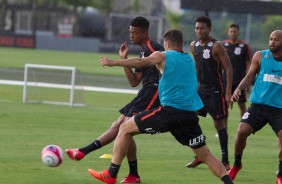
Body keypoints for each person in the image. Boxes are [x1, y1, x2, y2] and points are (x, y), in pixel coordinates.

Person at [89, 29, 234, 184]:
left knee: (124, 128)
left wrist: (114, 62)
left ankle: (111, 174)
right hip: (189, 116)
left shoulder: (163, 55)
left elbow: (141, 62)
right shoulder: (189, 59)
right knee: (206, 156)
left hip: (169, 113)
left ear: (167, 43)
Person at [65, 16, 164, 183]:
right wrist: (125, 60)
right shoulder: (142, 51)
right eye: (130, 32)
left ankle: (83, 152)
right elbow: (134, 82)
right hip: (144, 93)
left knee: (123, 126)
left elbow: (160, 69)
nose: (131, 36)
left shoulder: (154, 47)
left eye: (134, 33)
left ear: (144, 32)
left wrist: (115, 62)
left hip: (154, 93)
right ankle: (133, 175)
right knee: (122, 128)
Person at [228, 30, 282, 183]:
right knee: (241, 131)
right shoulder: (260, 55)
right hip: (258, 106)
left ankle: (280, 174)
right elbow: (249, 76)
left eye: (276, 40)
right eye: (270, 39)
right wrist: (239, 88)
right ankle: (237, 164)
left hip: (279, 109)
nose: (272, 42)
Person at [186, 16, 233, 170]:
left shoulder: (216, 45)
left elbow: (228, 68)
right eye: (196, 28)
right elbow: (197, 69)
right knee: (191, 120)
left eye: (202, 28)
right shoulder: (193, 45)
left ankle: (225, 160)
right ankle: (200, 155)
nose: (199, 31)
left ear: (209, 29)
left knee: (219, 124)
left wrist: (227, 93)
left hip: (215, 92)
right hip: (200, 91)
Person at [223, 24, 252, 118]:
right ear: (228, 32)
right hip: (226, 81)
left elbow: (249, 63)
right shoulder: (223, 45)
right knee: (224, 105)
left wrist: (248, 79)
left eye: (234, 31)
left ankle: (243, 126)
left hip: (240, 80)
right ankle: (224, 131)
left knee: (242, 105)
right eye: (231, 31)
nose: (233, 33)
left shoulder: (244, 46)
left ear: (238, 32)